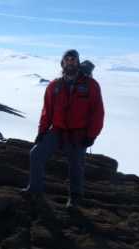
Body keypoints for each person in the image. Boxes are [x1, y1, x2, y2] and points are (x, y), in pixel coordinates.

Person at [20, 49, 105, 210]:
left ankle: (74, 197)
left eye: (73, 59)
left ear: (78, 63)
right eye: (67, 59)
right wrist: (41, 132)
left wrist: (91, 135)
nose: (70, 61)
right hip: (57, 131)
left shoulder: (90, 85)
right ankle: (35, 188)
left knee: (76, 165)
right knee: (36, 154)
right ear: (62, 63)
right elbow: (47, 111)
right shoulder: (54, 85)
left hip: (78, 134)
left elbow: (98, 112)